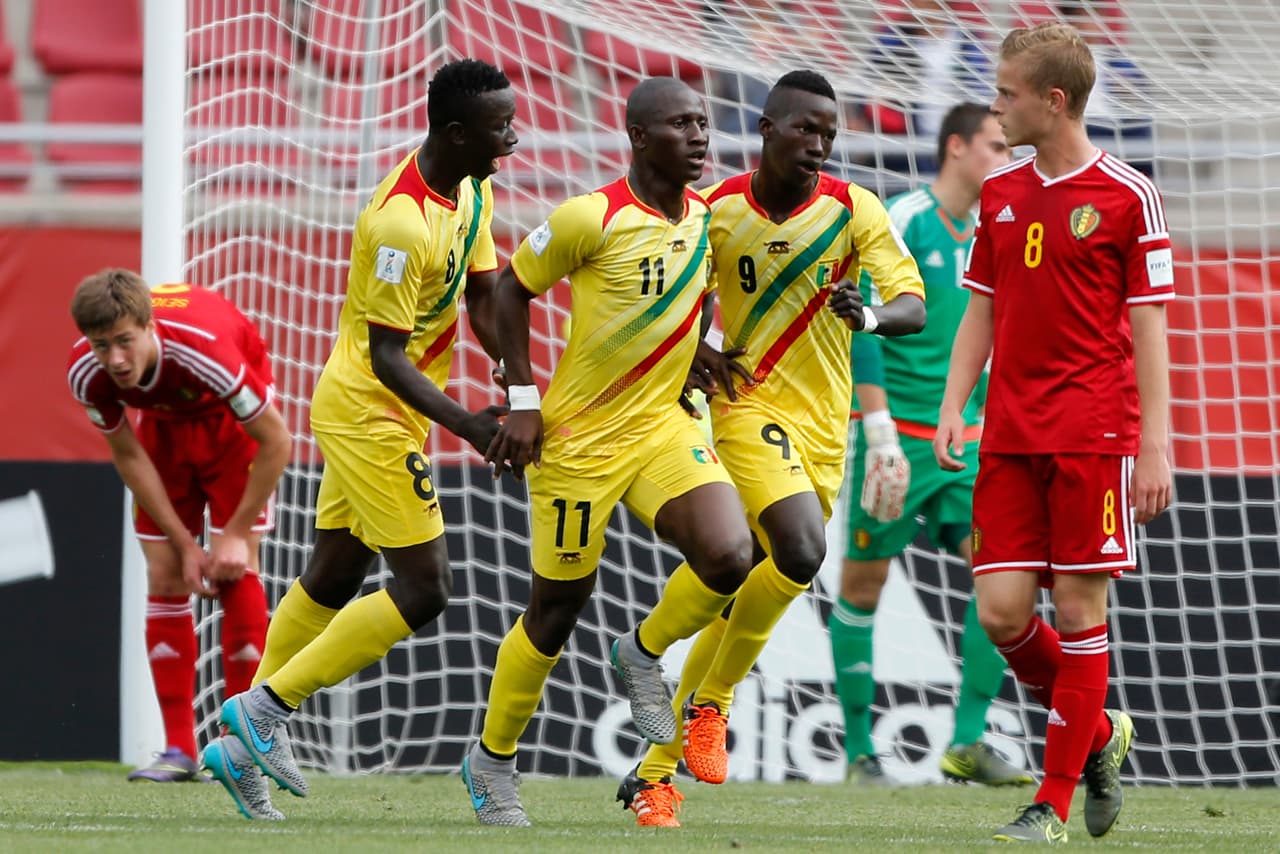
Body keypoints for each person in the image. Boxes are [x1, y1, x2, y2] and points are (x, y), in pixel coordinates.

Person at [201, 58, 517, 821]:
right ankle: (267, 711)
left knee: (335, 576)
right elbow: (386, 357)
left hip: (390, 406)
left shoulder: (472, 186)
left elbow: (481, 294)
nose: (513, 137)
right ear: (455, 132)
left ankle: (240, 747)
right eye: (499, 126)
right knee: (425, 588)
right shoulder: (398, 223)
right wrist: (470, 423)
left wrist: (513, 375)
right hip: (367, 407)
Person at [616, 70, 927, 827]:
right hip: (746, 410)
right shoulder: (714, 210)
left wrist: (874, 316)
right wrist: (691, 348)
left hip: (826, 432)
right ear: (765, 128)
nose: (819, 145)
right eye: (805, 129)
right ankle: (699, 688)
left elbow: (913, 305)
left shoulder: (856, 211)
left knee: (739, 588)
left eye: (829, 133)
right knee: (799, 549)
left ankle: (655, 778)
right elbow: (660, 293)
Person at [461, 76, 756, 828]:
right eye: (682, 125)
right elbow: (508, 293)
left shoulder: (705, 218)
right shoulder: (588, 217)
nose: (699, 137)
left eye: (704, 123)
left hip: (662, 426)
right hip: (580, 441)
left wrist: (695, 348)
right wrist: (523, 400)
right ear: (637, 136)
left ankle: (642, 652)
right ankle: (492, 762)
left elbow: (702, 289)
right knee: (554, 612)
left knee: (731, 555)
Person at [933, 22, 1173, 843]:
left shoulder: (1127, 195)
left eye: (1007, 93)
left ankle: (1053, 801)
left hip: (1093, 438)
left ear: (1054, 100)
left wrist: (1156, 445)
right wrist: (955, 404)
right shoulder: (1000, 194)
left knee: (1078, 611)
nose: (999, 106)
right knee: (1001, 614)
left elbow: (1149, 329)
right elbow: (983, 309)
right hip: (1007, 434)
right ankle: (1100, 733)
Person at [832, 102, 1027, 787]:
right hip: (895, 439)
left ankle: (967, 740)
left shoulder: (997, 227)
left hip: (968, 441)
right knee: (862, 584)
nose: (1007, 159)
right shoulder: (903, 217)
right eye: (997, 147)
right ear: (956, 147)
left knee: (1004, 579)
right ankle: (860, 751)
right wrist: (876, 427)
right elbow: (864, 319)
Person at [66, 269, 291, 783]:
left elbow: (277, 442)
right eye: (102, 346)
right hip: (164, 430)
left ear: (148, 327)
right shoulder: (86, 373)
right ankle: (178, 751)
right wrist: (187, 544)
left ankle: (242, 749)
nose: (116, 359)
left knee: (237, 567)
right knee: (164, 572)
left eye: (125, 341)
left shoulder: (205, 355)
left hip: (234, 427)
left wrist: (231, 534)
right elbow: (128, 455)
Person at [861, 0, 993, 172]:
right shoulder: (893, 39)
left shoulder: (968, 43)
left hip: (956, 135)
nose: (913, 5)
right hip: (906, 140)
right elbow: (868, 85)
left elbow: (979, 91)